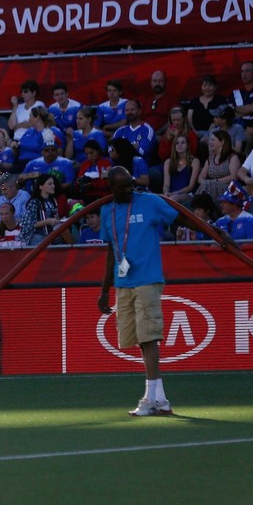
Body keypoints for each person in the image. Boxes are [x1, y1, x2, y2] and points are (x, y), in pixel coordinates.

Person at [98, 166, 190, 417]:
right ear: (112, 189)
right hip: (123, 282)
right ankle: (158, 399)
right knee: (137, 339)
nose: (130, 189)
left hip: (148, 278)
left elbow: (182, 218)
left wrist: (217, 234)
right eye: (124, 186)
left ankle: (153, 398)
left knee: (148, 337)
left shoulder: (149, 202)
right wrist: (104, 289)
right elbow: (110, 251)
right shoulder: (107, 211)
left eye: (131, 184)